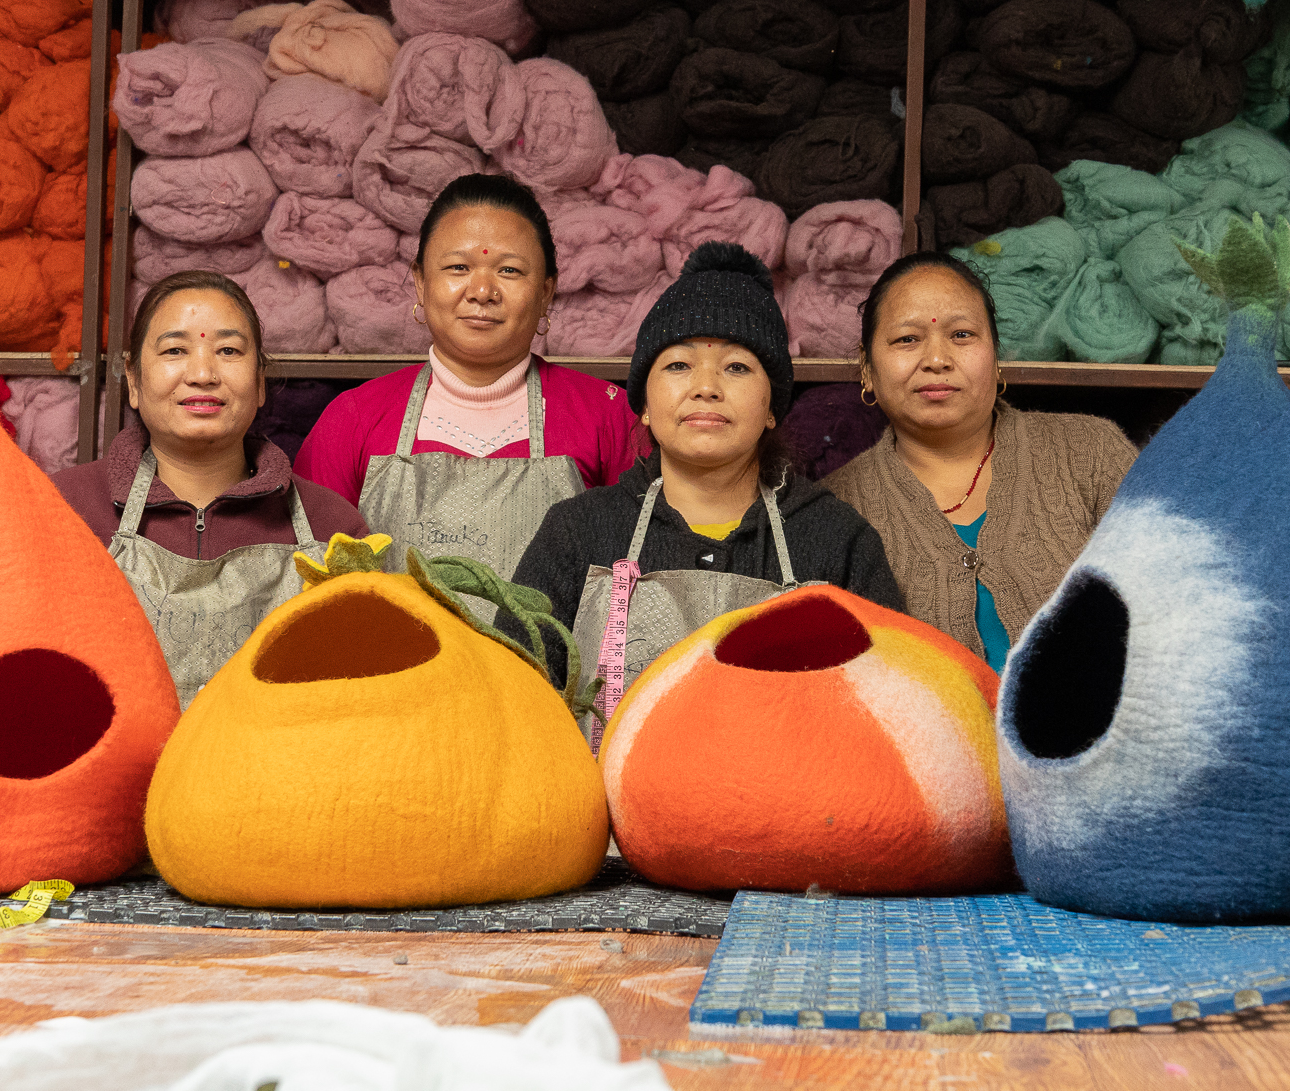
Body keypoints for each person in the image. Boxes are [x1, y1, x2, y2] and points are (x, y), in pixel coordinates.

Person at [503, 242, 902, 737]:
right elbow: (509, 701)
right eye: (678, 366)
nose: (706, 386)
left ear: (773, 407)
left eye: (737, 367)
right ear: (644, 404)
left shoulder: (836, 540)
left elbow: (893, 711)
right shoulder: (577, 533)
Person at [293, 174, 636, 602]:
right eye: (458, 267)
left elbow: (631, 582)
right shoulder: (354, 418)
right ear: (420, 282)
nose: (482, 291)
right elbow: (311, 590)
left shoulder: (608, 416)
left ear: (546, 291)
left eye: (509, 270)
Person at [52, 270, 368, 707]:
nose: (202, 373)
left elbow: (361, 697)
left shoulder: (332, 527)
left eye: (228, 350)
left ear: (259, 381)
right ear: (134, 379)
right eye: (176, 350)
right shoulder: (61, 509)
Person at [821, 251, 1138, 673]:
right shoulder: (835, 509)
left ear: (996, 355)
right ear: (867, 368)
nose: (937, 359)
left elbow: (1175, 609)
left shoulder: (1091, 453)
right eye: (907, 339)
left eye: (963, 335)